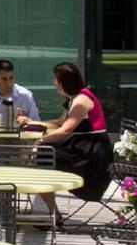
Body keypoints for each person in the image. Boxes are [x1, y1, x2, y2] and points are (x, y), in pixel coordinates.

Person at [26, 61, 115, 207]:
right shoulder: (75, 98)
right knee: (42, 158)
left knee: (42, 156)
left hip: (92, 157)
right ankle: (52, 212)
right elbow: (59, 123)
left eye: (54, 79)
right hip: (84, 149)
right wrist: (31, 123)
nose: (53, 83)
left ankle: (53, 213)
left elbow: (65, 129)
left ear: (62, 83)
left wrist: (40, 141)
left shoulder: (81, 101)